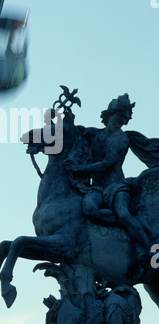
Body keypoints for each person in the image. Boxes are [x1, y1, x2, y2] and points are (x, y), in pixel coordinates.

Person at [66, 94, 156, 250]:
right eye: (119, 116)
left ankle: (151, 251)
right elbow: (73, 133)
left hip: (117, 187)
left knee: (124, 215)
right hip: (97, 188)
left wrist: (80, 169)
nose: (121, 120)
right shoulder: (94, 134)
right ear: (110, 114)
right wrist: (67, 118)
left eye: (124, 118)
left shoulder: (122, 139)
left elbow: (106, 164)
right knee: (89, 209)